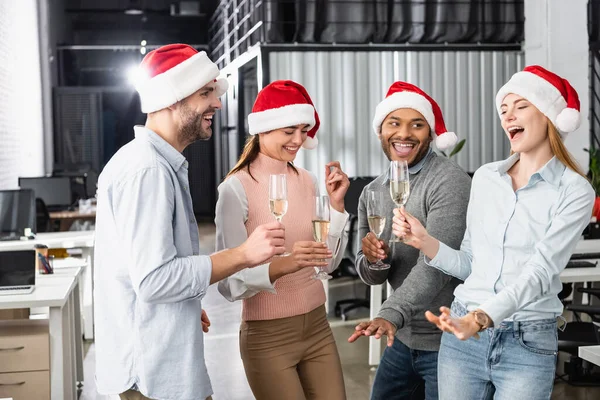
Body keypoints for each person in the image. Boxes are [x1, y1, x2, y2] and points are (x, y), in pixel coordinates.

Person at [94, 44, 286, 400]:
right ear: (171, 99)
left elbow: (143, 271)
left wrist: (182, 305)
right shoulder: (148, 170)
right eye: (205, 93)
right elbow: (154, 280)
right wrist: (243, 254)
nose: (217, 103)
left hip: (160, 360)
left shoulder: (154, 163)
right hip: (154, 378)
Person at [394, 65, 595, 400]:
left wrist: (483, 316)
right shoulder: (487, 178)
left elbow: (542, 271)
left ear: (547, 113)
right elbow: (471, 263)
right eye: (503, 109)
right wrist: (424, 241)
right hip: (464, 337)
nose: (508, 116)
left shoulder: (574, 190)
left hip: (527, 342)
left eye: (520, 106)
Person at [215, 80, 350, 400]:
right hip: (268, 337)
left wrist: (337, 207)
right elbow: (229, 283)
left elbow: (327, 262)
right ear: (264, 128)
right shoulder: (235, 189)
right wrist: (285, 264)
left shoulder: (308, 180)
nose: (299, 140)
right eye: (289, 130)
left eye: (303, 130)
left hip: (318, 326)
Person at [346, 81, 471, 400]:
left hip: (447, 341)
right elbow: (370, 274)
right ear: (380, 131)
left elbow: (438, 265)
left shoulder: (449, 181)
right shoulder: (373, 191)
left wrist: (389, 313)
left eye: (417, 125)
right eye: (394, 123)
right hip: (401, 340)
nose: (404, 134)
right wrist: (375, 259)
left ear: (429, 134)